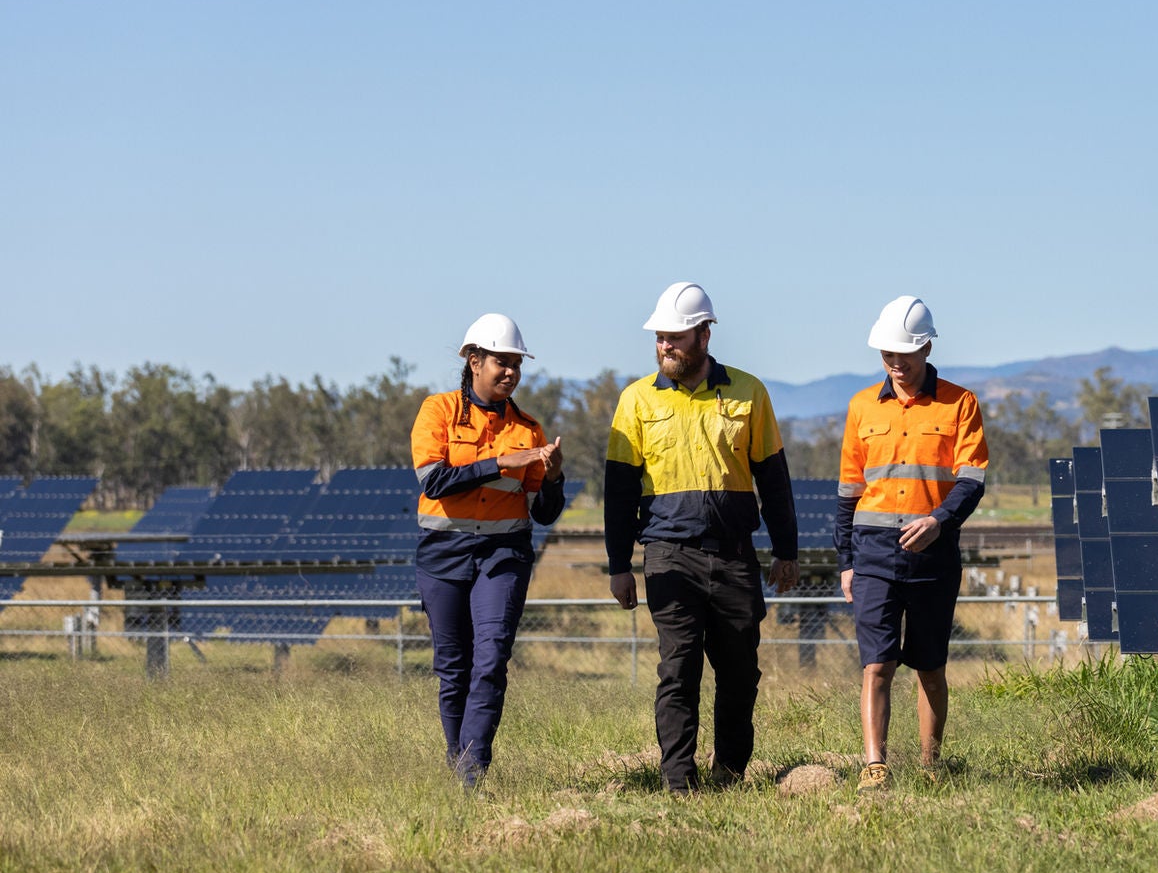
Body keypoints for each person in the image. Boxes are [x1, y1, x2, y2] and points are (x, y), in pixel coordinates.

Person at [604, 282, 800, 793]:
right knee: (679, 670)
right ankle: (678, 782)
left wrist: (786, 551)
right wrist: (618, 564)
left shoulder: (749, 392)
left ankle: (729, 776)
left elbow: (773, 480)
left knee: (740, 674)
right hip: (668, 556)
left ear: (704, 335)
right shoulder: (637, 400)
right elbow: (619, 492)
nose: (664, 346)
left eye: (675, 337)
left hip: (736, 557)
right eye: (659, 337)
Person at [835, 296, 988, 792]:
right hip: (873, 552)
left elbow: (971, 480)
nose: (895, 364)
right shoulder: (861, 407)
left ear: (925, 347)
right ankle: (874, 765)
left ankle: (930, 766)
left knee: (929, 667)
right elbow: (848, 490)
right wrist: (846, 562)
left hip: (933, 553)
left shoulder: (960, 403)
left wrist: (939, 521)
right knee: (876, 663)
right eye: (886, 355)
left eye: (903, 353)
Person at [410, 313, 565, 786]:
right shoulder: (436, 412)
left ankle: (472, 775)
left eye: (517, 363)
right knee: (453, 669)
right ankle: (458, 765)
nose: (511, 372)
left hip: (503, 556)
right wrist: (499, 462)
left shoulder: (530, 430)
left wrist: (554, 475)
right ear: (473, 361)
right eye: (502, 361)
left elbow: (543, 513)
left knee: (492, 658)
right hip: (444, 554)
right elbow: (434, 481)